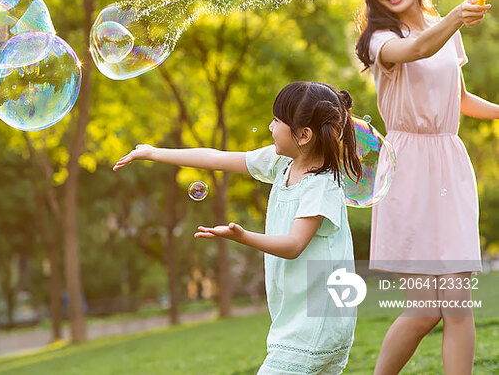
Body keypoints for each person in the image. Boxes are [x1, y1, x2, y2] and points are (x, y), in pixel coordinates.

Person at [114, 81, 363, 374]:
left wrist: (242, 236)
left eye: (277, 121)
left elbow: (294, 245)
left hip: (317, 322)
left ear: (304, 135)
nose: (270, 127)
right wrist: (154, 153)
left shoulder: (321, 185)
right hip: (299, 319)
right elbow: (215, 158)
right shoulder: (282, 163)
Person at [355, 0, 499, 375]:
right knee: (422, 311)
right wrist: (456, 18)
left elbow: (458, 98)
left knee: (457, 303)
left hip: (448, 161)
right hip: (407, 166)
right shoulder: (379, 39)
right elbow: (416, 51)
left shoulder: (441, 26)